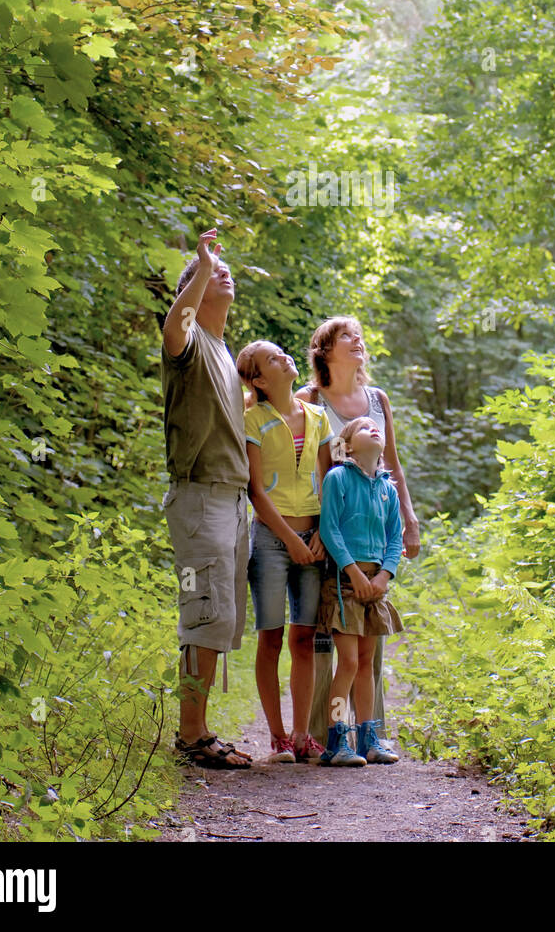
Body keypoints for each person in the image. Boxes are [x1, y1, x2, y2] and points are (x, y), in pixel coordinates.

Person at [300, 316, 420, 747]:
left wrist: (408, 520)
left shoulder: (377, 400)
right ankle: (327, 734)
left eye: (359, 337)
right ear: (324, 350)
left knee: (366, 654)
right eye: (346, 336)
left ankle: (369, 734)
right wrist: (312, 527)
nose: (357, 342)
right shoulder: (310, 398)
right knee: (330, 649)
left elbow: (393, 466)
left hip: (375, 536)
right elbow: (307, 469)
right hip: (331, 540)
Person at [161, 227, 252, 769]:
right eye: (210, 272)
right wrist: (199, 266)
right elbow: (176, 325)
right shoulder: (189, 343)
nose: (223, 271)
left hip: (230, 503)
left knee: (216, 616)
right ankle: (191, 737)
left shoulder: (223, 352)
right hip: (198, 503)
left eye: (222, 269)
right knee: (200, 609)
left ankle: (196, 731)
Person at [236, 340, 333, 764]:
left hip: (314, 536)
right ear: (258, 379)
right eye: (273, 359)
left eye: (283, 354)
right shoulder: (251, 420)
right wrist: (290, 540)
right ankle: (276, 738)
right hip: (273, 542)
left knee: (305, 637)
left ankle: (301, 735)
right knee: (272, 636)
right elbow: (255, 490)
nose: (286, 358)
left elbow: (331, 481)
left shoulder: (317, 416)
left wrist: (322, 534)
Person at [317, 415, 403, 765]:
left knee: (368, 663)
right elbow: (330, 528)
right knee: (349, 662)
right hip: (343, 584)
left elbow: (395, 538)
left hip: (375, 588)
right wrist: (353, 572)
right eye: (363, 427)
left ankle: (371, 737)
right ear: (348, 446)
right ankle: (337, 739)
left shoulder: (388, 488)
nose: (374, 428)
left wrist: (383, 577)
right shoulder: (338, 478)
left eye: (375, 426)